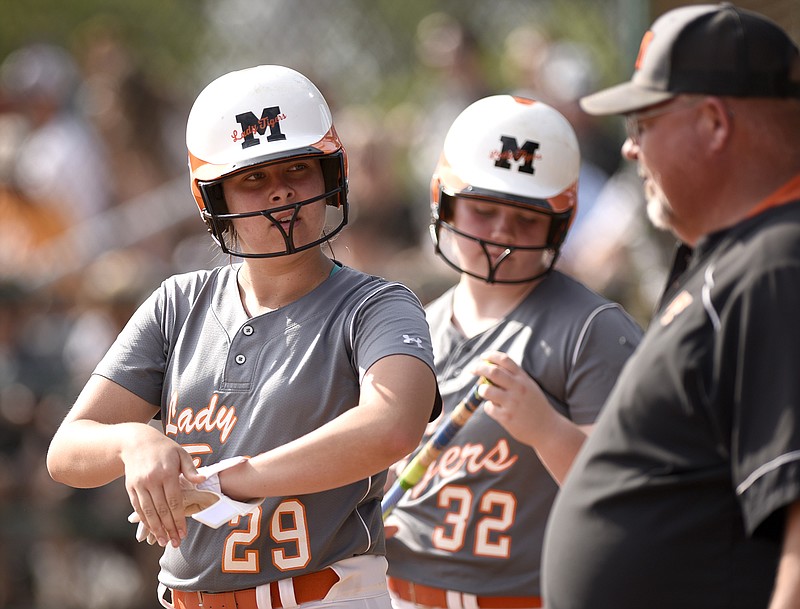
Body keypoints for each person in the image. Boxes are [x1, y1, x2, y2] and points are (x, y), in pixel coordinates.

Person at [46, 64, 441, 609]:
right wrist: (133, 441)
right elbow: (67, 451)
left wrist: (233, 481)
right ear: (212, 195)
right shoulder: (178, 303)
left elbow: (393, 427)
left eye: (298, 168)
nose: (279, 192)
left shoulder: (376, 305)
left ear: (330, 175)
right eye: (253, 177)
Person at [540, 5, 800, 609]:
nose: (629, 149)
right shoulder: (740, 257)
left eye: (643, 121)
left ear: (713, 123)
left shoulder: (777, 263)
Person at [382, 95, 643, 608]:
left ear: (558, 224)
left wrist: (546, 429)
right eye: (483, 210)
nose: (502, 232)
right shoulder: (414, 326)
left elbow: (628, 499)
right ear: (444, 201)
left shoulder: (592, 329)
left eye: (526, 219)